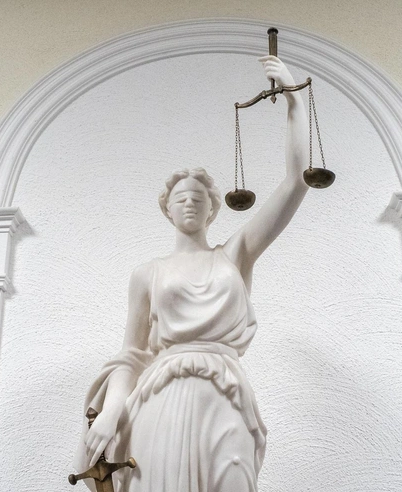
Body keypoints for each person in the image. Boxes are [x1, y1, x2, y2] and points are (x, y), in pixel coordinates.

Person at [74, 55, 310, 492]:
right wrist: (110, 411)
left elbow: (296, 183)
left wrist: (294, 102)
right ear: (167, 210)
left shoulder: (234, 255)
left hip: (225, 390)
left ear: (213, 210)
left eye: (199, 199)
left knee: (233, 477)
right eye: (180, 198)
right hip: (162, 394)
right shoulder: (148, 273)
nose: (189, 203)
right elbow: (131, 355)